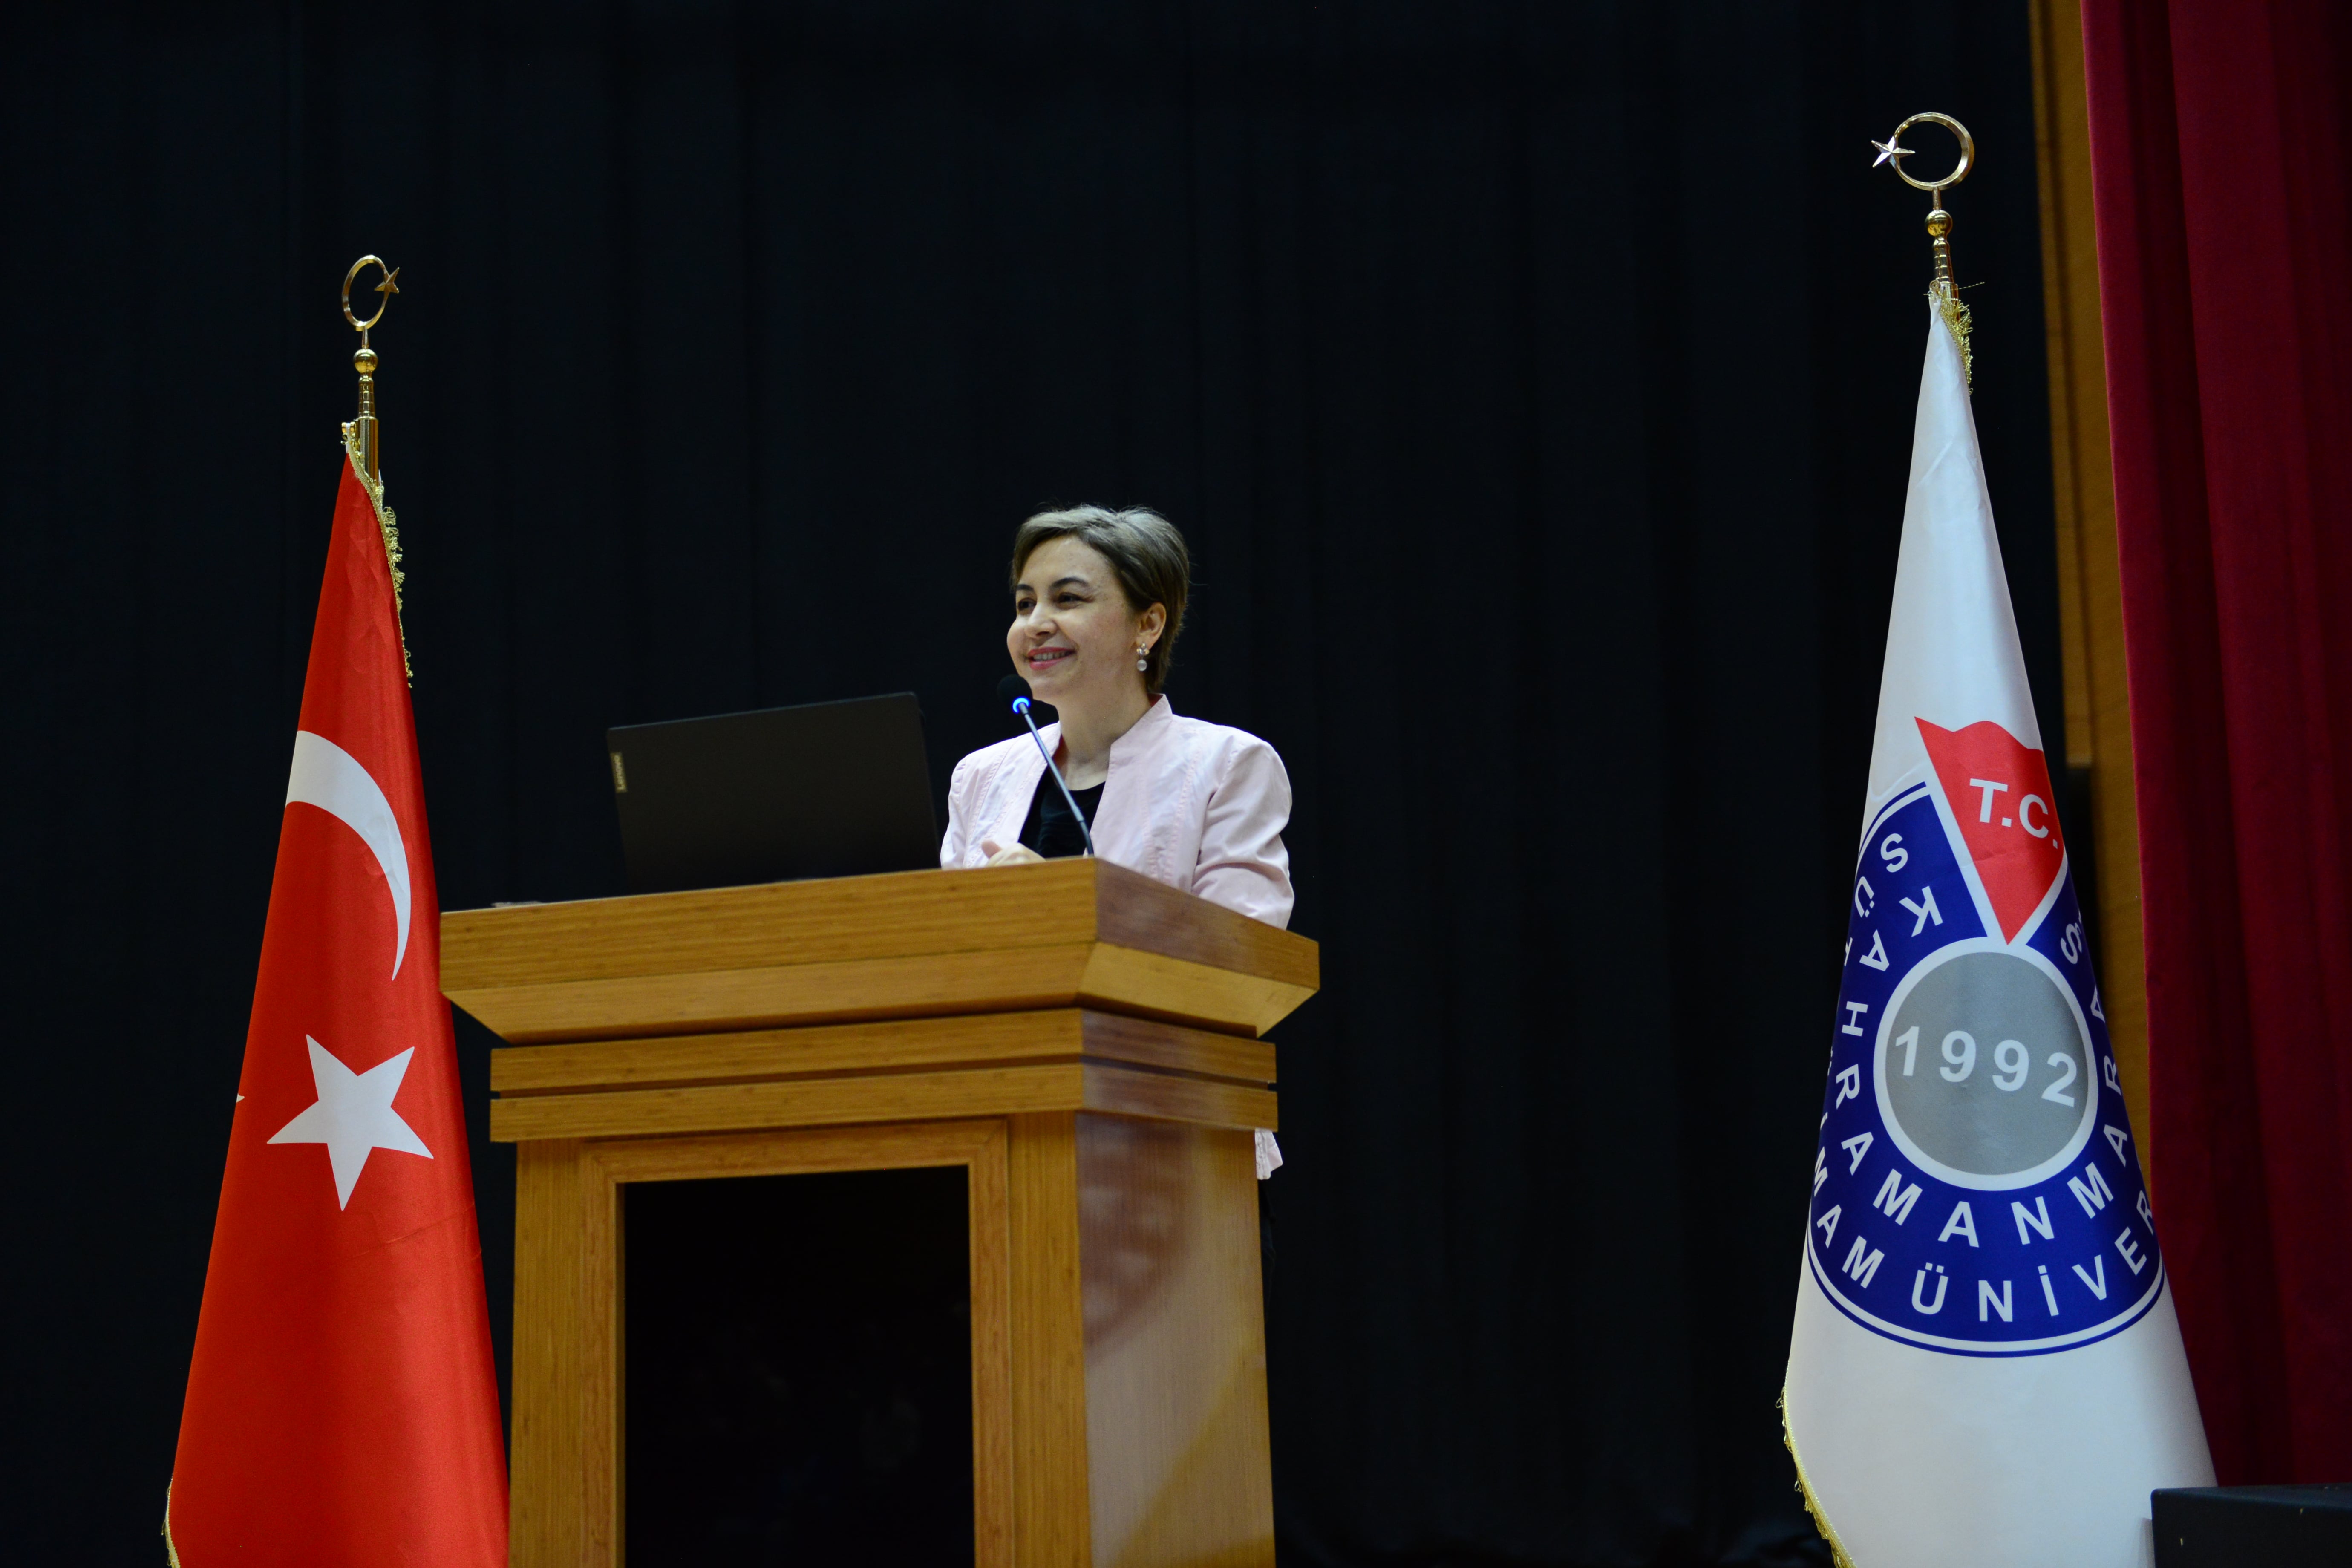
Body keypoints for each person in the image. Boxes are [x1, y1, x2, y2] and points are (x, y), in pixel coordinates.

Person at [940, 504, 1293, 1177]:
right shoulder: (981, 777)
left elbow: (1244, 967)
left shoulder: (1227, 764)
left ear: (1148, 624)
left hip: (1175, 1152)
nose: (1035, 623)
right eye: (1024, 603)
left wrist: (1065, 906)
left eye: (1068, 598)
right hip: (1002, 1142)